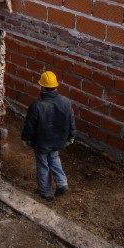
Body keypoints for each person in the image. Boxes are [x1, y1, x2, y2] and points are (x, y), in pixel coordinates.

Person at [21, 70, 76, 200]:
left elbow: (30, 126)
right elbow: (71, 121)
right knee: (54, 158)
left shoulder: (37, 106)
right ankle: (62, 182)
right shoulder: (66, 102)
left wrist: (25, 138)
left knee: (43, 165)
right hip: (58, 141)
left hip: (42, 143)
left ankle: (46, 193)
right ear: (56, 86)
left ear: (42, 87)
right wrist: (71, 136)